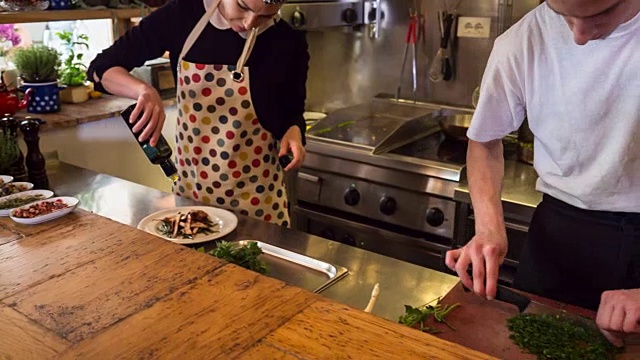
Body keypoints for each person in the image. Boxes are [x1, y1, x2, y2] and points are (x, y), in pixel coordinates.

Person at [445, 0, 639, 346]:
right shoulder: (521, 40)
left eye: (599, 16)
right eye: (563, 16)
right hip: (558, 233)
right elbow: (484, 141)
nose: (578, 37)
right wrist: (489, 229)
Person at [87, 0, 309, 227]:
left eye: (264, 17)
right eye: (243, 7)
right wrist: (143, 90)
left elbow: (292, 110)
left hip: (258, 203)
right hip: (192, 200)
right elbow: (100, 68)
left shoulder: (288, 41)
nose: (248, 22)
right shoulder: (181, 17)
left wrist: (293, 131)